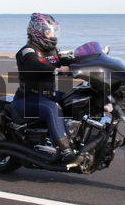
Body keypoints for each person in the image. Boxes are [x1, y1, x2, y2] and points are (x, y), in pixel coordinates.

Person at [12, 13, 79, 167]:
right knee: (52, 108)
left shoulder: (52, 50)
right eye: (49, 31)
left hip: (47, 96)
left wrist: (87, 59)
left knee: (75, 98)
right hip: (25, 100)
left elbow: (67, 58)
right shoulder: (27, 51)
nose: (52, 35)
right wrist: (57, 69)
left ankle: (77, 138)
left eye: (53, 31)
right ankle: (65, 151)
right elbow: (36, 65)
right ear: (37, 31)